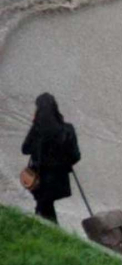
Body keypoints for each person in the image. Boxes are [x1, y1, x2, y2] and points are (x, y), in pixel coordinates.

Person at [20, 93, 81, 225]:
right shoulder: (68, 129)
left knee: (44, 207)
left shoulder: (37, 130)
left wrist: (34, 126)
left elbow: (25, 149)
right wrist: (63, 163)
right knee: (45, 207)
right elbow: (76, 156)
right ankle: (46, 230)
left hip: (39, 181)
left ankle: (48, 231)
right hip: (59, 181)